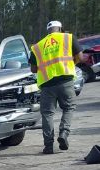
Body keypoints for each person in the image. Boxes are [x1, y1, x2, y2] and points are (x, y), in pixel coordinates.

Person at [30, 20, 81, 153]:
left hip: (47, 85)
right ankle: (64, 133)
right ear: (60, 29)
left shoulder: (37, 46)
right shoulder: (68, 38)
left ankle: (48, 146)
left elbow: (33, 69)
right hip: (65, 81)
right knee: (69, 108)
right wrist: (71, 64)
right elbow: (80, 57)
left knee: (47, 114)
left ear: (48, 31)